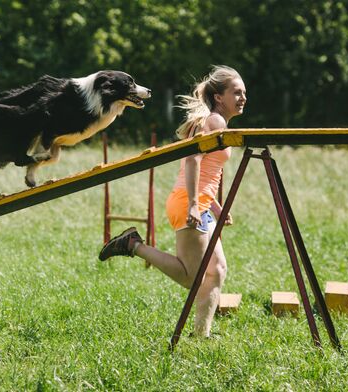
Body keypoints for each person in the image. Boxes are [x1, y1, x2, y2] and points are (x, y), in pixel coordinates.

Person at [98, 65, 247, 337]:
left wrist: (215, 206)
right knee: (193, 277)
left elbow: (209, 172)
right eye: (236, 92)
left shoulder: (216, 122)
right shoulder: (214, 122)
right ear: (218, 97)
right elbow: (192, 160)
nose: (242, 98)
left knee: (217, 270)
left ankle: (202, 334)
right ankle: (133, 244)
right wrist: (194, 204)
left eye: (244, 93)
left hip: (200, 203)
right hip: (188, 203)